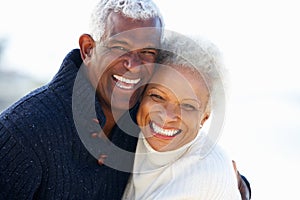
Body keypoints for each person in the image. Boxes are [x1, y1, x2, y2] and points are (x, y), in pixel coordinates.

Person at [0, 0, 250, 199]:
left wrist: (234, 186)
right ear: (88, 49)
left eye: (147, 52)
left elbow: (184, 142)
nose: (133, 65)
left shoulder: (139, 114)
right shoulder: (22, 133)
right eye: (119, 48)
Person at [122, 33, 245, 199]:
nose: (167, 116)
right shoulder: (126, 136)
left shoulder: (205, 173)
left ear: (204, 118)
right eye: (158, 96)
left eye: (188, 106)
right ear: (141, 96)